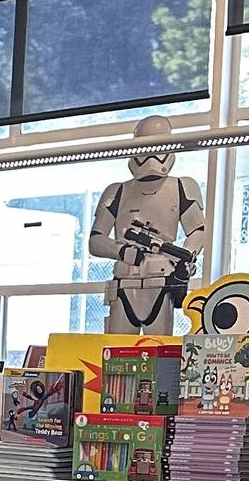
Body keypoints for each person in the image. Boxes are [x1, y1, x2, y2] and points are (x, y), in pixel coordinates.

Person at [87, 115, 207, 334]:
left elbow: (199, 231)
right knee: (117, 354)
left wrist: (182, 256)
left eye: (158, 147)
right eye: (145, 147)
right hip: (124, 280)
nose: (151, 156)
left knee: (159, 353)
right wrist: (122, 250)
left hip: (160, 281)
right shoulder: (117, 191)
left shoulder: (182, 187)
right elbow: (96, 240)